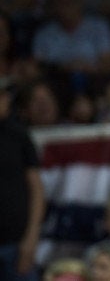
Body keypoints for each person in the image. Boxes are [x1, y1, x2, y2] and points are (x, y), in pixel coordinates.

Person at [0, 77, 46, 281]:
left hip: (16, 243)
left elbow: (37, 189)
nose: (3, 99)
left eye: (4, 95)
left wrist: (31, 237)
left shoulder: (19, 135)